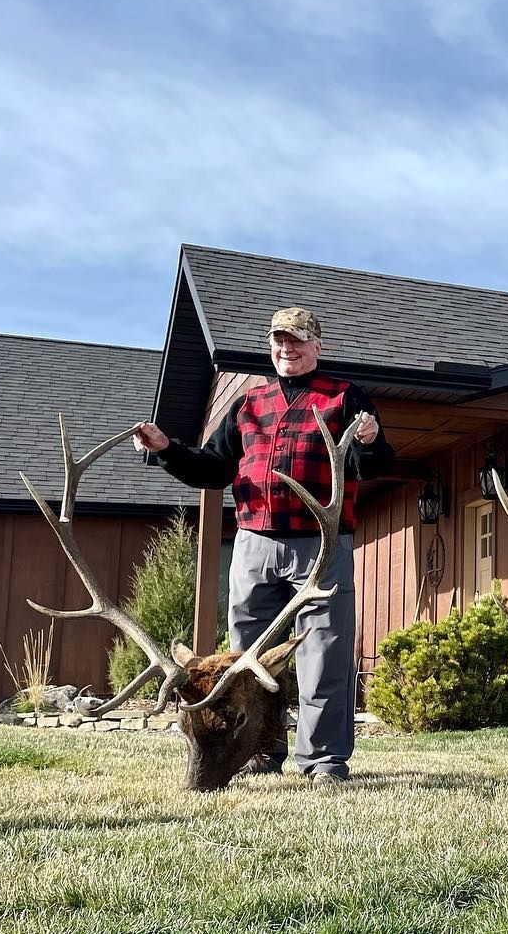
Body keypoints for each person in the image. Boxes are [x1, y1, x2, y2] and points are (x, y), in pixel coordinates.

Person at [133, 306, 394, 788]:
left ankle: (323, 760)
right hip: (254, 544)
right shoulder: (249, 405)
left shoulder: (343, 398)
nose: (286, 349)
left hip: (320, 546)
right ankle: (260, 748)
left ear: (316, 346)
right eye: (279, 341)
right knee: (247, 659)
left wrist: (372, 439)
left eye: (296, 341)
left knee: (324, 651)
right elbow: (212, 467)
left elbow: (369, 464)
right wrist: (166, 447)